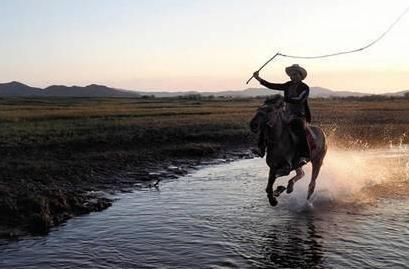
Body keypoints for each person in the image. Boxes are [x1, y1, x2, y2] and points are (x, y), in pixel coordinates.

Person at [253, 64, 311, 167]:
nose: (293, 76)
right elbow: (273, 86)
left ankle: (304, 155)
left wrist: (283, 99)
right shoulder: (287, 85)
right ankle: (260, 148)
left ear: (300, 76)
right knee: (268, 123)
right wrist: (258, 79)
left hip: (299, 115)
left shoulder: (305, 87)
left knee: (299, 127)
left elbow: (299, 99)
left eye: (295, 74)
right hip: (286, 113)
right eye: (292, 74)